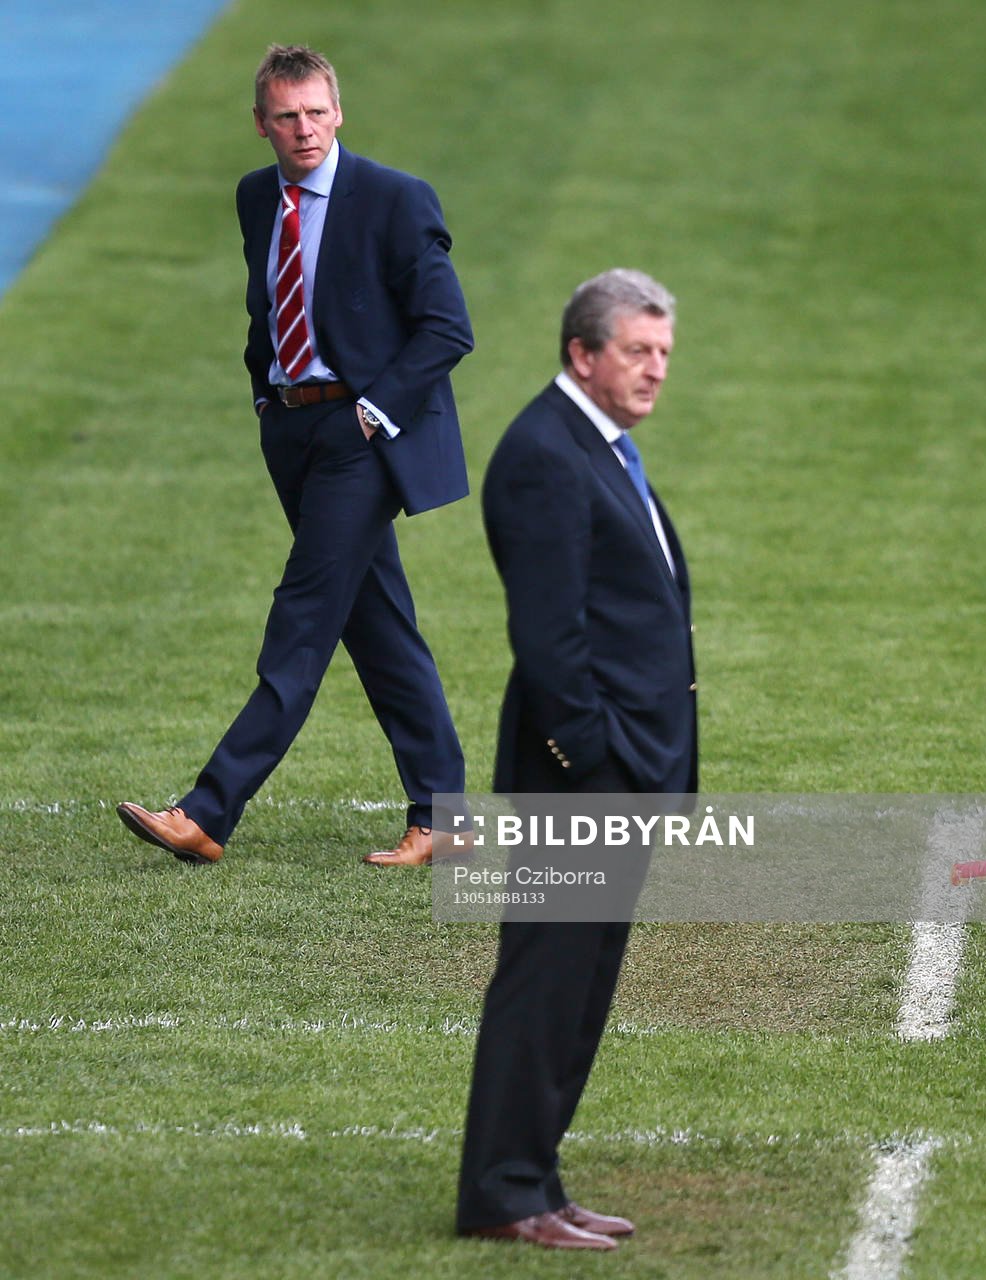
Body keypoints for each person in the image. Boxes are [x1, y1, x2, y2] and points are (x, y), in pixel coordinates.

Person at [117, 44, 473, 868]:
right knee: (378, 626)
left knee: (304, 618)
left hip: (359, 438)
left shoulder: (394, 199)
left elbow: (448, 328)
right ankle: (444, 816)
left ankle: (208, 810)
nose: (304, 129)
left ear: (338, 112)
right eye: (287, 117)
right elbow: (268, 306)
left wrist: (372, 416)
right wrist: (264, 398)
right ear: (261, 124)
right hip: (292, 430)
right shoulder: (255, 196)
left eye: (316, 112)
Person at [456, 269, 697, 1250]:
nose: (654, 371)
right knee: (545, 982)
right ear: (581, 353)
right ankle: (504, 1193)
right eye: (637, 351)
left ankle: (538, 1178)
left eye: (664, 354)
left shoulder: (597, 447)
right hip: (584, 776)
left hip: (621, 770)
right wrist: (594, 761)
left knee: (580, 986)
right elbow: (550, 643)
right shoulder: (544, 456)